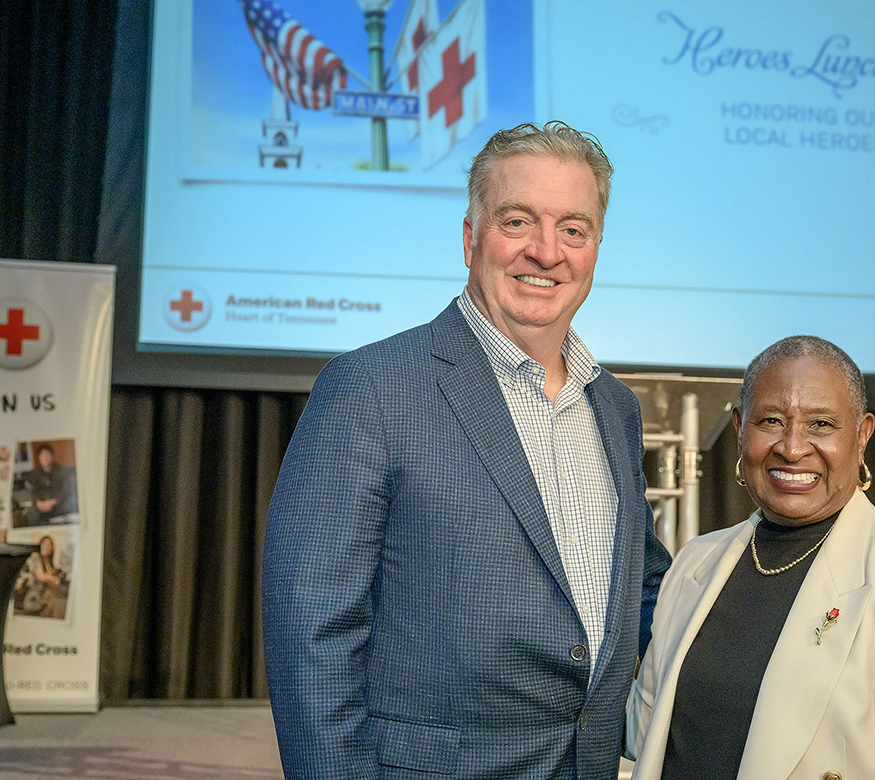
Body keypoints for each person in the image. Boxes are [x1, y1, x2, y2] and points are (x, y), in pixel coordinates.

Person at [263, 121, 672, 780]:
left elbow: (642, 593)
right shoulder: (370, 388)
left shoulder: (615, 408)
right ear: (469, 237)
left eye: (573, 229)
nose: (547, 251)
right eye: (518, 222)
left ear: (596, 247)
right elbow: (311, 637)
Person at [626, 335, 875, 779]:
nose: (792, 447)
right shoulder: (695, 563)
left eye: (821, 425)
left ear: (862, 434)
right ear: (739, 428)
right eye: (771, 420)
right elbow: (647, 734)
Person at [25, 444, 77, 525]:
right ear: (39, 457)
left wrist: (53, 501)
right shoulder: (35, 472)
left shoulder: (61, 470)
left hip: (58, 503)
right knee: (31, 514)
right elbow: (34, 491)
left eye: (47, 455)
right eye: (42, 455)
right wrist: (39, 503)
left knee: (73, 504)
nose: (45, 458)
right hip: (42, 505)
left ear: (52, 456)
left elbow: (66, 489)